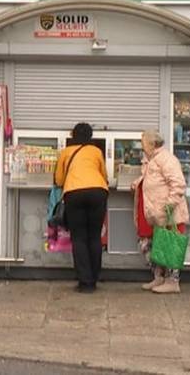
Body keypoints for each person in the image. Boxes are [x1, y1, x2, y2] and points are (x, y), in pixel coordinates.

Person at [132, 128, 189, 294]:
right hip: (155, 213)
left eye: (143, 143)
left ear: (152, 144)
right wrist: (138, 182)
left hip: (168, 213)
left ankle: (173, 282)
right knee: (153, 245)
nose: (142, 146)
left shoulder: (166, 159)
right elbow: (152, 179)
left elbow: (178, 183)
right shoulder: (151, 160)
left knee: (170, 245)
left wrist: (169, 205)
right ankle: (159, 277)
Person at [54, 122, 109, 293]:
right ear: (90, 136)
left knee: (79, 237)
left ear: (73, 135)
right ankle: (94, 277)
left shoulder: (66, 152)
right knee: (94, 236)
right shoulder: (96, 151)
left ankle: (85, 282)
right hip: (98, 192)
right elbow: (104, 175)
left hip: (74, 193)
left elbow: (59, 179)